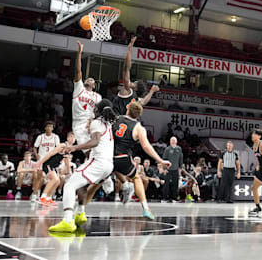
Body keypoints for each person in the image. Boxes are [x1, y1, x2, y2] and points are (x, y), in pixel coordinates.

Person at [82, 101, 170, 219]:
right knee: (136, 178)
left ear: (127, 109)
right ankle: (145, 208)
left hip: (107, 157)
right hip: (122, 158)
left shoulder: (115, 118)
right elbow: (146, 147)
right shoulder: (139, 128)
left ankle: (80, 210)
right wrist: (160, 160)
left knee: (95, 184)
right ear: (139, 115)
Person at [49, 99, 117, 234]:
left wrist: (74, 148)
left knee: (69, 185)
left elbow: (95, 142)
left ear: (99, 110)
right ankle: (80, 214)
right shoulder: (108, 124)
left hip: (98, 162)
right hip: (108, 164)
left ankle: (68, 221)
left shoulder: (97, 123)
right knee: (82, 185)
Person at [71, 41, 102, 148]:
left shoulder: (98, 96)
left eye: (92, 80)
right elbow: (78, 71)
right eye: (88, 79)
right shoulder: (79, 89)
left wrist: (93, 121)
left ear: (94, 86)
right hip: (79, 123)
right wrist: (79, 53)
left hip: (91, 124)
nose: (89, 79)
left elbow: (99, 112)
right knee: (87, 150)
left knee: (96, 150)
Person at [33, 131, 76, 206]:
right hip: (48, 164)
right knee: (54, 179)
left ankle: (49, 198)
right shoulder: (62, 145)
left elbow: (66, 161)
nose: (73, 139)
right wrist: (39, 163)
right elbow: (50, 154)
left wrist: (70, 172)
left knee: (58, 181)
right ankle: (42, 198)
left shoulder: (70, 149)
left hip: (53, 166)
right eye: (71, 137)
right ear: (68, 138)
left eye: (74, 137)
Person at [161, 136, 183, 202]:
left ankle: (175, 198)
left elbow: (180, 158)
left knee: (175, 184)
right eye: (172, 140)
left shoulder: (179, 149)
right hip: (168, 169)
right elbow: (164, 159)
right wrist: (164, 168)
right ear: (170, 141)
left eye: (174, 140)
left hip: (176, 169)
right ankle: (164, 198)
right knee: (166, 184)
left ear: (176, 141)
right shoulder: (167, 149)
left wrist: (180, 167)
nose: (173, 141)